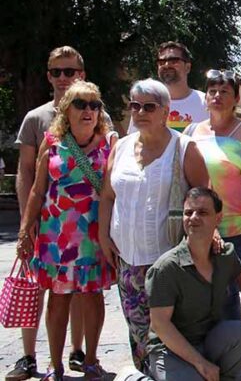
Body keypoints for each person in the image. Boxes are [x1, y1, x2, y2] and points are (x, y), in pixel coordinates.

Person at [9, 46, 108, 380]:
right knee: (58, 300)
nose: (88, 110)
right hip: (55, 235)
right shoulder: (51, 142)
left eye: (94, 105)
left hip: (94, 235)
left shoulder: (110, 144)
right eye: (80, 104)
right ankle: (54, 363)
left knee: (92, 298)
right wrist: (25, 230)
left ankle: (91, 359)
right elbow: (37, 188)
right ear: (67, 110)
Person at [98, 79, 210, 371]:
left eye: (149, 106)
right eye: (135, 105)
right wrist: (103, 234)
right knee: (138, 332)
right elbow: (108, 196)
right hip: (128, 259)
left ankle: (175, 374)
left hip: (168, 262)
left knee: (170, 330)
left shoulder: (185, 149)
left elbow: (204, 200)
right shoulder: (120, 148)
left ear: (165, 111)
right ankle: (145, 373)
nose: (140, 112)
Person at [145, 187, 241, 381]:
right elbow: (161, 325)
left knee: (240, 333)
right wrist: (200, 364)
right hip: (170, 350)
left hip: (206, 341)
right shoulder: (166, 268)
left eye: (202, 212)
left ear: (218, 218)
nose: (193, 218)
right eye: (188, 213)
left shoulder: (224, 255)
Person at [183, 70, 241, 321]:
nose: (217, 96)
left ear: (236, 98)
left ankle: (232, 346)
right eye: (212, 91)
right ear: (206, 97)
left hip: (234, 222)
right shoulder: (192, 132)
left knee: (227, 285)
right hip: (198, 222)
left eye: (224, 91)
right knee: (202, 284)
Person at [128, 41, 208, 133]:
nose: (166, 65)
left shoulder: (205, 103)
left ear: (188, 67)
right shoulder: (146, 103)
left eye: (174, 61)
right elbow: (134, 140)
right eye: (161, 62)